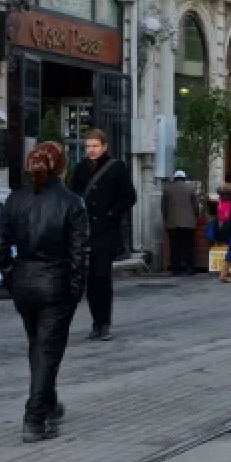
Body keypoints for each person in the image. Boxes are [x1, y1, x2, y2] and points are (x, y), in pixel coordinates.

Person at [0, 142, 88, 442]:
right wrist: (74, 289)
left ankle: (47, 401)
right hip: (55, 283)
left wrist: (11, 275)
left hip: (25, 282)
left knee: (39, 343)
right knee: (47, 348)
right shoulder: (72, 203)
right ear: (62, 167)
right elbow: (79, 254)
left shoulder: (15, 200)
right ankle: (34, 416)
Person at [68, 128, 136, 341]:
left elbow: (129, 197)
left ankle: (104, 322)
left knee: (102, 276)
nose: (91, 150)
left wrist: (111, 214)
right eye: (88, 146)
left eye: (95, 146)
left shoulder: (116, 168)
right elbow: (73, 195)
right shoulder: (80, 168)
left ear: (104, 146)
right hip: (86, 229)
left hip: (106, 231)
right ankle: (95, 322)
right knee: (90, 279)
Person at [161, 170, 199, 276]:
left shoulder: (167, 188)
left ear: (174, 178)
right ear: (184, 178)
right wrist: (196, 216)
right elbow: (196, 205)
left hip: (172, 223)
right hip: (188, 223)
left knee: (174, 246)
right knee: (188, 245)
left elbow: (163, 206)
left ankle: (176, 269)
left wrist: (166, 217)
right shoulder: (190, 188)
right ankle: (190, 267)